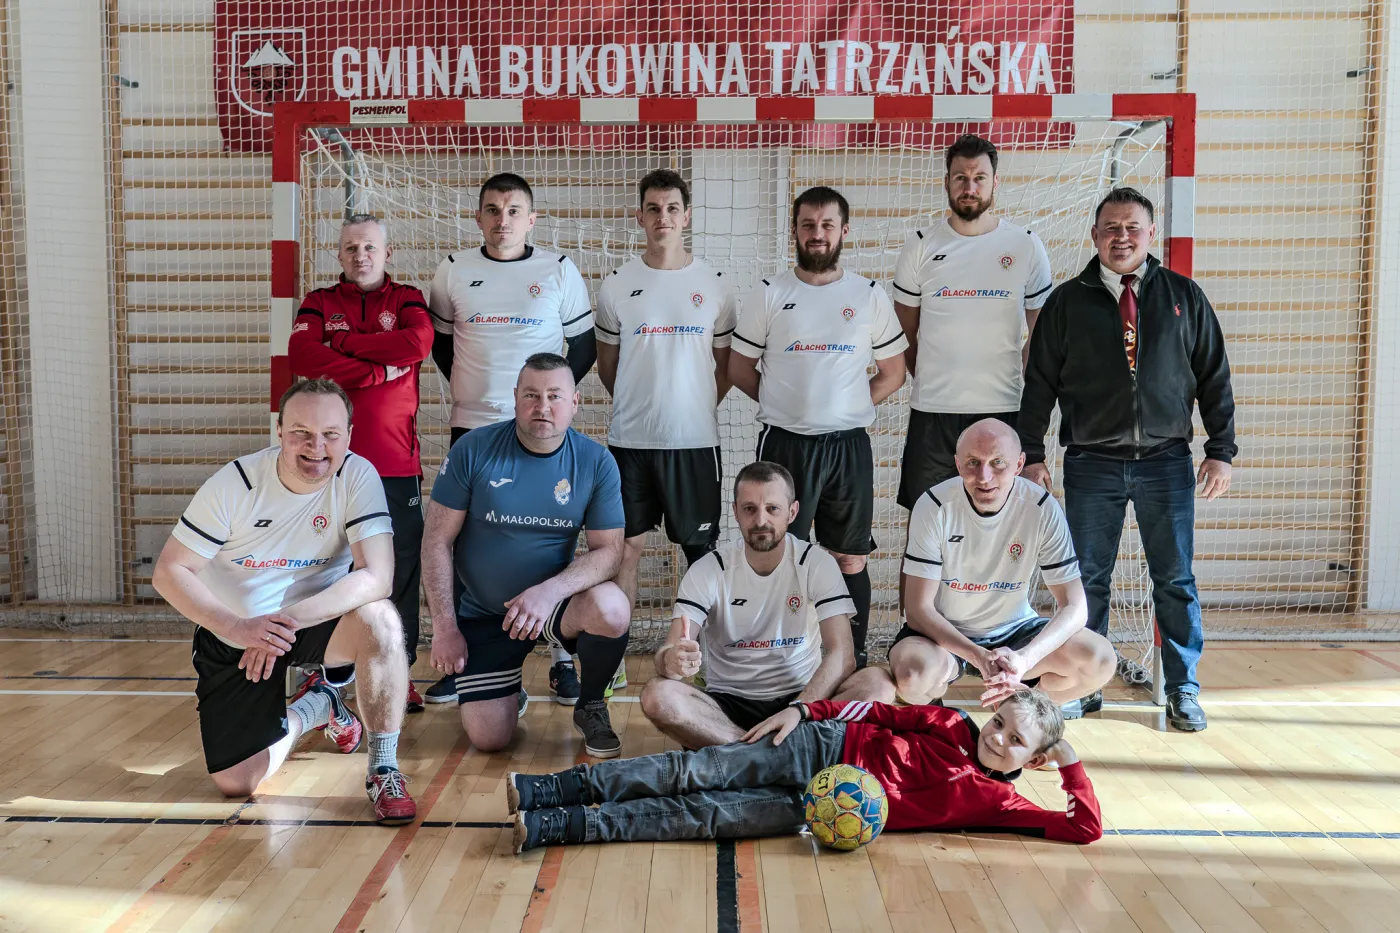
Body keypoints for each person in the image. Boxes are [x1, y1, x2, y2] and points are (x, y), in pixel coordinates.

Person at [1018, 187, 1236, 732]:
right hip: (1091, 462)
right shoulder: (1066, 303)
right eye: (1111, 228)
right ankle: (1085, 683)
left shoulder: (1184, 296)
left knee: (1175, 578)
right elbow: (1038, 383)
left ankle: (1182, 688)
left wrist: (1221, 451)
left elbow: (1214, 376)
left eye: (1132, 227)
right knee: (1086, 579)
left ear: (1150, 233)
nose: (1122, 237)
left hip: (1167, 462)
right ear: (1094, 235)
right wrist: (1032, 453)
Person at [151, 379, 416, 824]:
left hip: (308, 622)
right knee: (237, 782)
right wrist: (239, 628)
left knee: (381, 620)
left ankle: (384, 768)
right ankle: (317, 706)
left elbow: (377, 576)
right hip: (236, 633)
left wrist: (281, 623)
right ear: (278, 431)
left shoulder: (357, 476)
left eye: (330, 434)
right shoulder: (236, 483)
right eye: (301, 433)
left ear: (349, 435)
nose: (316, 447)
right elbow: (169, 572)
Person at [506, 688, 1101, 851]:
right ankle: (559, 788)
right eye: (999, 722)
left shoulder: (1003, 804)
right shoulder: (950, 724)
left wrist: (1070, 762)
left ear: (1035, 760)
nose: (996, 737)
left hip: (822, 809)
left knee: (705, 816)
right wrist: (805, 712)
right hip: (822, 748)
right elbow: (875, 711)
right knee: (700, 770)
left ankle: (569, 826)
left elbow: (1083, 828)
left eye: (1016, 741)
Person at [425, 172, 598, 705]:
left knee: (552, 535)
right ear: (478, 217)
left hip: (542, 432)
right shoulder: (453, 269)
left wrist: (547, 405)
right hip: (475, 426)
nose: (504, 220)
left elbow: (584, 347)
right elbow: (441, 346)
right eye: (493, 210)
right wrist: (476, 394)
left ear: (532, 219)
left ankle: (562, 659)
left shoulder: (559, 269)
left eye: (514, 210)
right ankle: (464, 657)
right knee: (465, 542)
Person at [728, 186, 908, 667]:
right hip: (784, 446)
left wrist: (844, 408)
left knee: (849, 558)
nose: (817, 233)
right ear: (795, 230)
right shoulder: (770, 293)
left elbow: (893, 373)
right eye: (808, 224)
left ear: (844, 231)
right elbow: (739, 369)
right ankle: (780, 658)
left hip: (848, 448)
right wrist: (789, 407)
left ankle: (852, 659)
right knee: (778, 553)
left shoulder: (868, 295)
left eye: (827, 225)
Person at [421, 353, 632, 758]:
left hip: (552, 608)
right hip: (486, 613)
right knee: (488, 739)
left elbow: (609, 553)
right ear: (516, 397)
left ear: (575, 403)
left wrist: (549, 592)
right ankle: (505, 686)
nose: (543, 407)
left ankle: (591, 704)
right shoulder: (473, 449)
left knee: (612, 608)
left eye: (555, 396)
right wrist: (444, 627)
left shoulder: (596, 462)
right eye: (532, 395)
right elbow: (435, 541)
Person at [840, 419, 1116, 713]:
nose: (984, 477)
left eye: (998, 462)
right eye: (973, 463)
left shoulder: (1042, 507)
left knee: (1100, 659)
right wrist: (977, 656)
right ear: (958, 464)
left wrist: (1025, 659)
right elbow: (918, 611)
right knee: (913, 675)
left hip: (1015, 631)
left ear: (1019, 464)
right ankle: (933, 715)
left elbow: (1075, 607)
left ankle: (1019, 708)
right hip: (943, 634)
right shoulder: (934, 505)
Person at [287, 213, 434, 713]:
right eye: (351, 248)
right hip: (327, 464)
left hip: (395, 464)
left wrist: (345, 344)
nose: (361, 256)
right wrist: (376, 372)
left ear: (387, 253)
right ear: (339, 254)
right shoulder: (319, 302)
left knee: (400, 569)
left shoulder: (407, 298)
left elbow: (416, 344)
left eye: (369, 247)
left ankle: (399, 671)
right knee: (326, 567)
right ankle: (325, 674)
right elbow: (303, 355)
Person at [595, 168, 737, 626]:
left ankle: (697, 655)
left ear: (686, 215)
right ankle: (614, 652)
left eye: (672, 208)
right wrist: (641, 402)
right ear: (639, 216)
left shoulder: (715, 283)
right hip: (630, 443)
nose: (663, 217)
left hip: (694, 443)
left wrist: (692, 405)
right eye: (653, 208)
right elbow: (608, 366)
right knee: (623, 550)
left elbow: (725, 367)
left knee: (700, 554)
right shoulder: (617, 283)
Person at [640, 461, 859, 749]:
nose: (760, 521)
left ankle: (743, 756)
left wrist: (800, 708)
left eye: (772, 509)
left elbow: (843, 654)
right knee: (657, 696)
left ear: (792, 512)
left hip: (802, 698)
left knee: (876, 685)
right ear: (735, 512)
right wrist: (672, 661)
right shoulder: (709, 569)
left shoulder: (816, 563)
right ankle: (772, 753)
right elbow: (668, 655)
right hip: (728, 705)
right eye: (749, 509)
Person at [891, 134, 1053, 506]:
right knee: (926, 521)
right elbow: (905, 335)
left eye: (979, 177)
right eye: (960, 178)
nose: (969, 187)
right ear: (947, 182)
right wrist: (937, 378)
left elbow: (1040, 336)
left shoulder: (1025, 245)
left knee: (1000, 523)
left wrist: (1018, 382)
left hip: (1003, 409)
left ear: (995, 183)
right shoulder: (921, 245)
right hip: (933, 412)